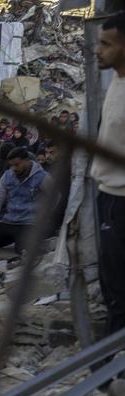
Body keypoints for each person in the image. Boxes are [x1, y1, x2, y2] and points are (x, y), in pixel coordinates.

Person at [92, 11, 125, 335]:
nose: (98, 50)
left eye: (106, 44)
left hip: (122, 201)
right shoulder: (116, 79)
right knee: (110, 285)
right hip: (108, 195)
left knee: (119, 290)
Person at [0, 147, 53, 253]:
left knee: (23, 249)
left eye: (17, 164)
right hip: (9, 221)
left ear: (27, 160)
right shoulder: (7, 176)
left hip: (30, 223)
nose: (14, 168)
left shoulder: (42, 177)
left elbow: (56, 198)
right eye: (11, 165)